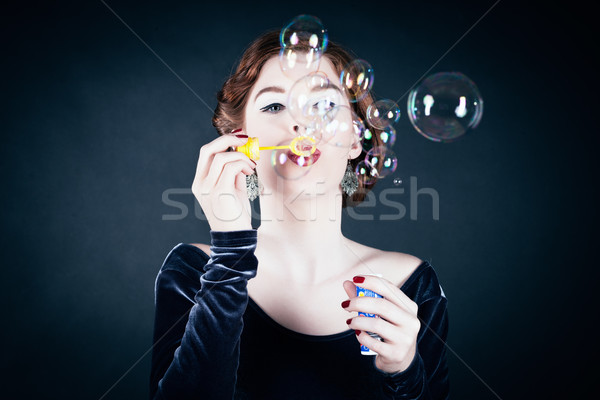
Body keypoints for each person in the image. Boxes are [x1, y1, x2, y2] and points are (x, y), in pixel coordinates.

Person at [149, 30, 449, 399]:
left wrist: (405, 374)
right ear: (242, 140)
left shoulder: (411, 284)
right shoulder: (193, 270)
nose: (301, 124)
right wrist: (230, 250)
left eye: (324, 106)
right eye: (275, 106)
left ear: (356, 140)